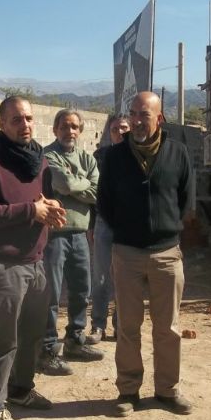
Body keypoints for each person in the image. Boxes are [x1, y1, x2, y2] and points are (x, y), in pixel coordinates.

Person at [0, 96, 66, 420]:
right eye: (15, 119)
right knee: (1, 339)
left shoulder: (39, 161)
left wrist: (49, 206)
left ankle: (21, 390)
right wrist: (31, 211)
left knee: (30, 335)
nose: (24, 125)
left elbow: (39, 199)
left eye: (27, 118)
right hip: (3, 266)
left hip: (36, 262)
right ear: (1, 124)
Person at [97, 91, 194, 417]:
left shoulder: (178, 152)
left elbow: (186, 200)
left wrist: (165, 229)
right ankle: (128, 390)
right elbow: (105, 203)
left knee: (168, 328)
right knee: (127, 325)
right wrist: (127, 232)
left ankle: (167, 390)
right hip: (126, 254)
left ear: (160, 119)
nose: (137, 121)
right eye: (134, 114)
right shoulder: (114, 156)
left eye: (145, 115)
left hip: (167, 254)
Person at [37, 108, 103, 376]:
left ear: (81, 130)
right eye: (64, 126)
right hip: (54, 234)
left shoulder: (87, 157)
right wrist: (82, 184)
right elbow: (62, 183)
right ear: (55, 129)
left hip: (80, 234)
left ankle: (75, 341)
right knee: (50, 294)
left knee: (81, 290)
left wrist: (81, 186)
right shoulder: (47, 155)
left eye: (75, 127)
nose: (70, 131)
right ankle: (47, 349)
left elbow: (98, 191)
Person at [87, 113, 131, 344]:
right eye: (115, 129)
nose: (120, 133)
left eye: (124, 128)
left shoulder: (138, 156)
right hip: (104, 223)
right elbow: (94, 192)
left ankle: (121, 326)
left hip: (129, 226)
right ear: (109, 132)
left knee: (125, 277)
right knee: (101, 276)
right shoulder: (100, 157)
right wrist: (92, 224)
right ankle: (98, 326)